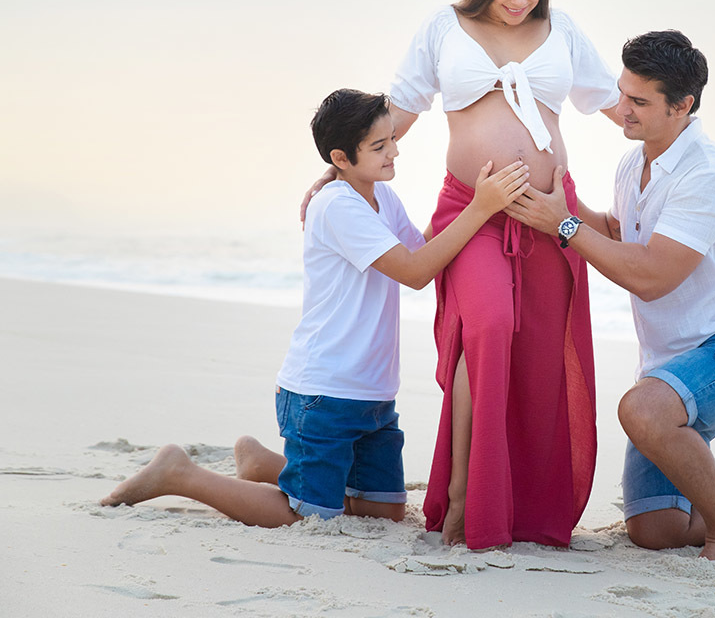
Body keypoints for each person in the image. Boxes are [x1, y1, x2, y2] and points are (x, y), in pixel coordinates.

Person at [300, 0, 620, 549]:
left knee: (538, 362)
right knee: (489, 326)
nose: (520, 0)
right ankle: (465, 504)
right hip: (471, 214)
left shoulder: (565, 31)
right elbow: (396, 114)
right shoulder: (444, 27)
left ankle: (522, 511)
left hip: (548, 214)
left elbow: (617, 104)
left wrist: (675, 148)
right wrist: (334, 171)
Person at [101, 89, 529, 526]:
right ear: (341, 158)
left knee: (386, 512)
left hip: (373, 393)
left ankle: (262, 466)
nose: (394, 152)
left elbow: (427, 252)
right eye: (379, 147)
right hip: (325, 393)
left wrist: (472, 213)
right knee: (306, 515)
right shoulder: (336, 206)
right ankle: (181, 473)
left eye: (392, 139)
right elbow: (416, 272)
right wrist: (480, 207)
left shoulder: (383, 198)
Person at [505, 31, 715, 565]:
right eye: (622, 94)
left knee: (642, 410)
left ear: (682, 106)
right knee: (656, 528)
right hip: (674, 362)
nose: (622, 110)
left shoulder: (708, 174)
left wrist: (562, 225)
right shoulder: (632, 164)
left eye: (639, 102)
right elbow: (619, 234)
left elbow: (652, 275)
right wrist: (563, 203)